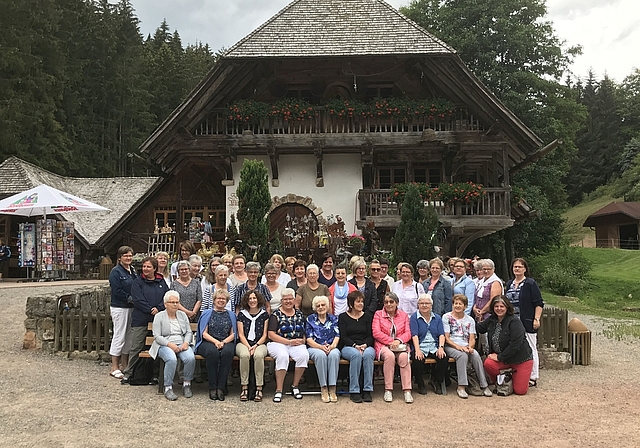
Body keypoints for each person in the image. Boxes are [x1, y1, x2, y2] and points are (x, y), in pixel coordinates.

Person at [121, 256, 169, 384]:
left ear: (154, 268)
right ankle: (129, 373)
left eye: (148, 267)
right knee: (137, 346)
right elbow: (137, 299)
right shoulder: (137, 282)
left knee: (157, 347)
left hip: (158, 319)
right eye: (144, 266)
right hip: (141, 319)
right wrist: (149, 309)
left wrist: (158, 308)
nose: (145, 269)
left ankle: (155, 374)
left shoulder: (161, 281)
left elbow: (166, 296)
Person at [477, 295, 534, 395]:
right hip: (503, 359)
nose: (499, 309)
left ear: (507, 307)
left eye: (502, 306)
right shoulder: (492, 320)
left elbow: (515, 345)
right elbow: (479, 328)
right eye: (496, 306)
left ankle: (510, 379)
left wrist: (499, 357)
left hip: (520, 359)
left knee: (520, 391)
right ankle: (502, 383)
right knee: (488, 364)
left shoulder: (514, 321)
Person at [443, 294, 493, 398]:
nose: (457, 306)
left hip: (466, 346)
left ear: (465, 306)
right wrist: (458, 347)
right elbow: (446, 338)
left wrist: (470, 347)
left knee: (475, 354)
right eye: (455, 303)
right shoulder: (446, 317)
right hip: (451, 346)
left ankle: (484, 385)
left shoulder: (470, 320)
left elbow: (472, 337)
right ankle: (461, 386)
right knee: (462, 356)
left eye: (460, 304)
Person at [150, 290, 196, 400]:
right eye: (172, 302)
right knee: (171, 359)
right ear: (165, 304)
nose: (175, 304)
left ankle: (187, 384)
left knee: (190, 358)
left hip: (181, 342)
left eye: (177, 302)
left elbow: (189, 332)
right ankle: (168, 387)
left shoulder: (182, 315)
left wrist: (185, 343)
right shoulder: (159, 316)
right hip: (164, 344)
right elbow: (157, 336)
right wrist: (170, 345)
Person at [505, 257, 544, 387]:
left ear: (525, 269)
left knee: (531, 348)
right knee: (516, 347)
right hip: (513, 322)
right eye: (515, 267)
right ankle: (519, 373)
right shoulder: (510, 283)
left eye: (520, 267)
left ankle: (533, 376)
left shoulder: (530, 283)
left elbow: (538, 303)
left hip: (526, 321)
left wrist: (536, 318)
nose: (517, 269)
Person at [267, 288, 308, 403]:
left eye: (290, 299)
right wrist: (289, 342)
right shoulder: (276, 314)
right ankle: (279, 390)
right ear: (281, 300)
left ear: (294, 300)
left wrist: (303, 340)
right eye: (285, 299)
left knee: (304, 355)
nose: (288, 301)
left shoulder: (299, 314)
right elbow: (271, 334)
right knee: (283, 356)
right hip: (278, 343)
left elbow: (304, 331)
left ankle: (295, 386)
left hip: (296, 343)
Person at [196, 289, 237, 401]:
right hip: (208, 341)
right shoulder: (207, 313)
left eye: (223, 299)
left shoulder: (231, 315)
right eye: (219, 298)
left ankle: (221, 387)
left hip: (226, 341)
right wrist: (216, 342)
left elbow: (233, 333)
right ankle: (212, 387)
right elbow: (203, 333)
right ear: (214, 300)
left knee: (227, 353)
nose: (221, 300)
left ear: (227, 301)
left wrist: (223, 342)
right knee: (212, 353)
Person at [373, 291, 413, 404]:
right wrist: (391, 341)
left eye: (391, 302)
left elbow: (408, 333)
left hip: (400, 345)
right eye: (386, 302)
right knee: (389, 356)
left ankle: (407, 390)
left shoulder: (403, 315)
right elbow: (376, 332)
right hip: (383, 345)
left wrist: (398, 341)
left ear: (397, 303)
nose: (389, 304)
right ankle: (388, 390)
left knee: (404, 357)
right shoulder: (378, 314)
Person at [339, 291, 375, 403]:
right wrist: (355, 345)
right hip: (349, 346)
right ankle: (354, 390)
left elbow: (370, 336)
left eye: (362, 302)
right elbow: (343, 337)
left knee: (369, 354)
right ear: (351, 304)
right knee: (356, 355)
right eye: (358, 302)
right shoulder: (343, 317)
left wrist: (365, 345)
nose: (361, 304)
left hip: (365, 345)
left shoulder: (367, 317)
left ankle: (367, 390)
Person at [410, 294, 449, 395]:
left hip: (434, 346)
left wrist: (441, 347)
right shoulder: (414, 317)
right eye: (421, 303)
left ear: (431, 305)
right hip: (421, 345)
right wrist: (417, 350)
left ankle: (436, 381)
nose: (424, 305)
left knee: (443, 358)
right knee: (417, 359)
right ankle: (420, 383)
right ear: (418, 305)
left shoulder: (437, 318)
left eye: (426, 303)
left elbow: (441, 334)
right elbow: (414, 335)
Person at [108, 246, 136, 379]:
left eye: (130, 255)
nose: (128, 258)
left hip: (131, 307)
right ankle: (114, 366)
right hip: (120, 307)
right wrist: (129, 298)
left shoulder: (132, 271)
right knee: (119, 335)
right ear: (120, 257)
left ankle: (125, 365)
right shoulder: (116, 272)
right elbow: (117, 290)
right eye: (126, 256)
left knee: (128, 337)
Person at [306, 295, 341, 403]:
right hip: (314, 347)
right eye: (318, 306)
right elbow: (309, 339)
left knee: (334, 355)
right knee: (320, 356)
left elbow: (337, 335)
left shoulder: (333, 318)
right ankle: (324, 388)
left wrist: (332, 346)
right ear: (315, 308)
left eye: (323, 305)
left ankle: (332, 387)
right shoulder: (310, 319)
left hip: (331, 346)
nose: (321, 307)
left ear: (327, 306)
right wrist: (321, 347)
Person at [236, 289, 269, 402]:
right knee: (244, 355)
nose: (252, 300)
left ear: (258, 299)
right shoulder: (241, 314)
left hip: (259, 343)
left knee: (258, 355)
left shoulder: (264, 314)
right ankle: (244, 387)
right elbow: (241, 334)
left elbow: (265, 335)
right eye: (250, 298)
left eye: (254, 298)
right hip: (244, 343)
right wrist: (249, 347)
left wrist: (255, 345)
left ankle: (259, 387)